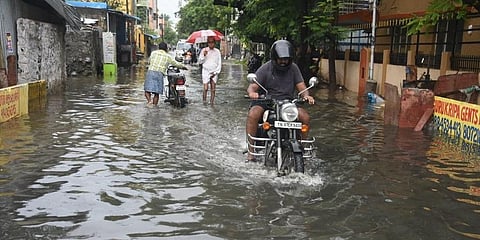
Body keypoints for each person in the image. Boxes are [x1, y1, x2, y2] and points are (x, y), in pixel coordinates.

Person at [245, 40, 315, 161]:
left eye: (286, 59)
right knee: (253, 114)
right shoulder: (266, 68)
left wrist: (306, 96)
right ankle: (251, 151)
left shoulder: (294, 68)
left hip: (288, 103)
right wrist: (252, 93)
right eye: (281, 59)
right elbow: (252, 86)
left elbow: (302, 87)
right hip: (267, 101)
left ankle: (300, 147)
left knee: (305, 117)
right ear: (275, 58)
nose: (283, 62)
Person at [198, 36, 222, 104]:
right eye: (209, 42)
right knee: (205, 88)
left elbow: (219, 63)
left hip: (214, 71)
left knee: (213, 89)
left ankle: (212, 103)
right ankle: (204, 102)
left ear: (214, 43)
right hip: (205, 71)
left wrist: (216, 72)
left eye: (212, 42)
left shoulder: (217, 51)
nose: (211, 44)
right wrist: (204, 55)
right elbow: (200, 62)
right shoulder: (204, 50)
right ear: (207, 43)